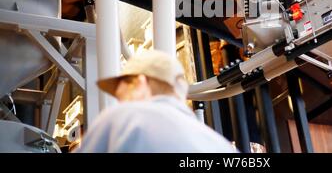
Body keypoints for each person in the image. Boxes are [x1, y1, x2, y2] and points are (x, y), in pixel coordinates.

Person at [75, 49, 237, 153]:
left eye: (123, 97)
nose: (121, 104)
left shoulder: (121, 118)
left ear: (140, 83)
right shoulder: (222, 146)